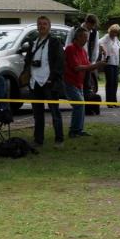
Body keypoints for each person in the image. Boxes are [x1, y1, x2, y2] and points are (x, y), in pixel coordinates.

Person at [23, 15, 65, 147]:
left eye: (44, 24)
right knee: (37, 114)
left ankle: (59, 139)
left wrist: (52, 79)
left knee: (55, 112)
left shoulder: (54, 42)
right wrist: (27, 76)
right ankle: (38, 139)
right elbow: (28, 62)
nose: (41, 26)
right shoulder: (33, 43)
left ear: (49, 26)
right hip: (34, 82)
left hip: (49, 82)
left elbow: (59, 62)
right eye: (39, 24)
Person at [64, 27, 106, 138]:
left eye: (87, 37)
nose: (87, 40)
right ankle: (73, 131)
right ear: (78, 37)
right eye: (85, 37)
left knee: (81, 105)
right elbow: (77, 68)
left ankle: (79, 130)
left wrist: (99, 64)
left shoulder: (83, 50)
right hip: (69, 82)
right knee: (79, 104)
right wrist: (96, 65)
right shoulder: (70, 49)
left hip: (79, 83)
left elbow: (88, 67)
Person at [99, 24, 120, 107]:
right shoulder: (106, 37)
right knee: (110, 82)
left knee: (115, 82)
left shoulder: (116, 39)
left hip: (116, 63)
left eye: (116, 32)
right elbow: (99, 42)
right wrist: (103, 49)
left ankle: (114, 101)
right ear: (111, 31)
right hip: (108, 63)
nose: (115, 34)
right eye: (114, 32)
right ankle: (109, 101)